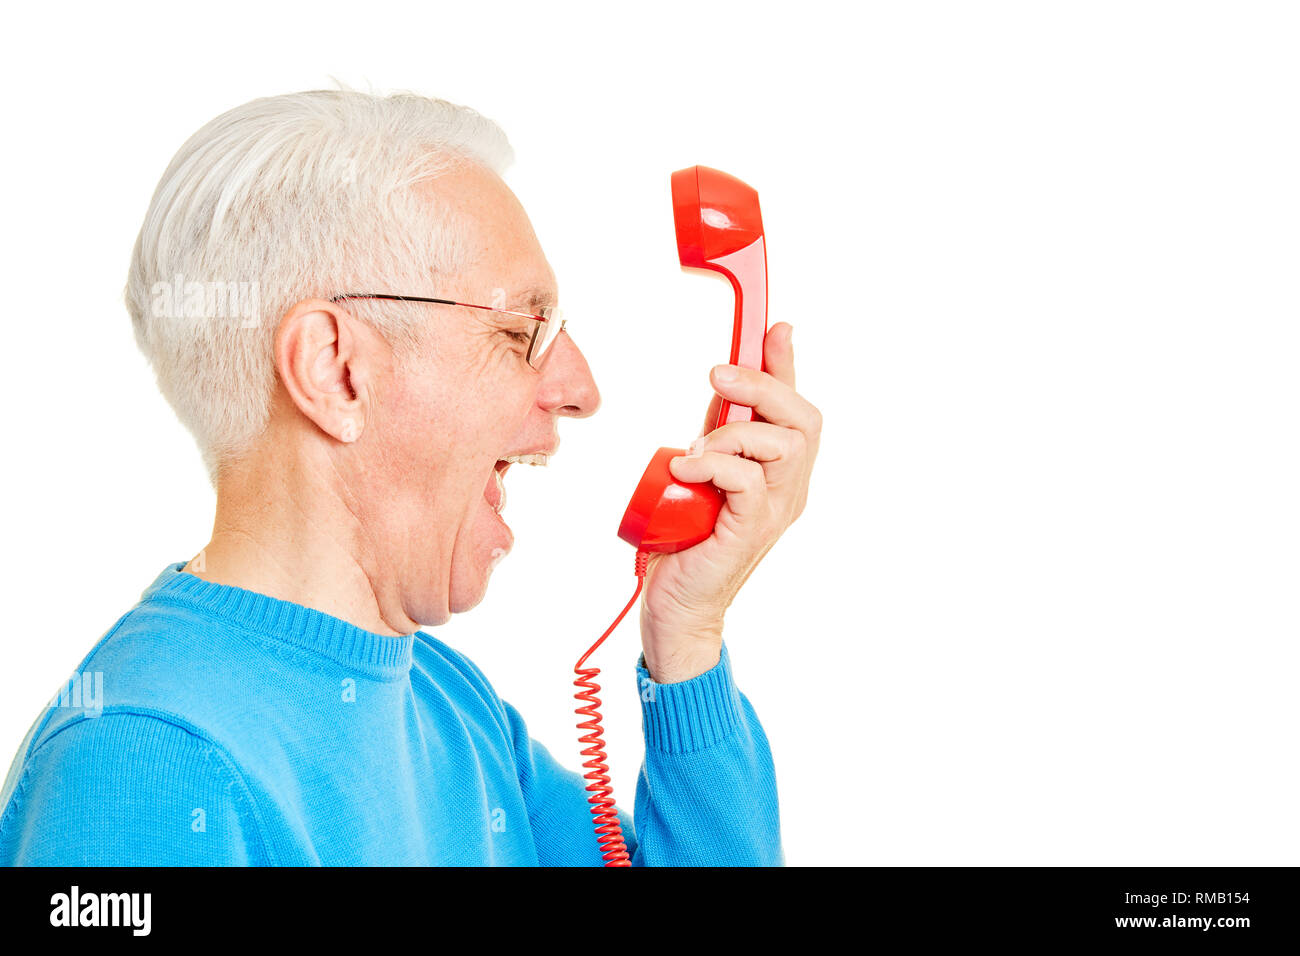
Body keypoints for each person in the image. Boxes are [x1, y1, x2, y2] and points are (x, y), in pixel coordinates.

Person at [0, 89, 821, 865]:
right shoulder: (142, 765)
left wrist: (687, 631)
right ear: (335, 371)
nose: (580, 390)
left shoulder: (451, 707)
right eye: (522, 331)